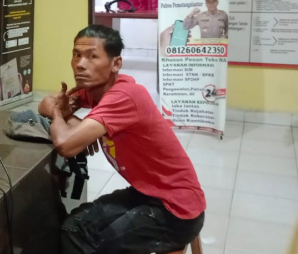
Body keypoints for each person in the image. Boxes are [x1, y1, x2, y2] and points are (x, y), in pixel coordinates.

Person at [38, 24, 205, 254]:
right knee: (74, 227)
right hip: (147, 194)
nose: (80, 64)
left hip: (175, 211)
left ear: (116, 63)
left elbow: (66, 144)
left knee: (92, 243)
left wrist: (61, 114)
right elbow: (45, 103)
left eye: (92, 56)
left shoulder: (124, 96)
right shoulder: (95, 90)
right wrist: (73, 120)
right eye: (76, 54)